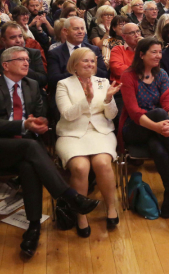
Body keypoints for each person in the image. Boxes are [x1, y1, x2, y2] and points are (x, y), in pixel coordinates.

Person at [0, 46, 99, 256]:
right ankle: (69, 196)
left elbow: (41, 112)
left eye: (27, 59)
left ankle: (33, 228)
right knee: (31, 146)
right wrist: (25, 125)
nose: (27, 63)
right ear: (5, 65)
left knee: (29, 166)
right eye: (21, 59)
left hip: (26, 148)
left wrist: (40, 122)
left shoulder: (32, 84)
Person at [119, 38, 169, 218]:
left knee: (158, 147)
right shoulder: (128, 75)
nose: (158, 56)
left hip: (159, 129)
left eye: (159, 52)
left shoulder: (161, 74)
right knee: (157, 113)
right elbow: (134, 112)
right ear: (141, 54)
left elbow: (168, 103)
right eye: (153, 52)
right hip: (135, 128)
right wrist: (159, 126)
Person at [55, 48, 121, 234]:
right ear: (74, 65)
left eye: (93, 61)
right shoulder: (64, 84)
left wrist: (108, 99)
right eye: (85, 61)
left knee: (102, 163)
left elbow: (111, 115)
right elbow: (67, 115)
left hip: (100, 131)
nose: (90, 65)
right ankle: (81, 214)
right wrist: (87, 99)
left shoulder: (103, 82)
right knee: (80, 167)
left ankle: (111, 208)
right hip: (72, 133)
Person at [47, 17, 107, 94]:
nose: (80, 32)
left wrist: (92, 67)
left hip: (93, 92)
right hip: (67, 93)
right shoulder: (55, 53)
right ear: (66, 31)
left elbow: (104, 75)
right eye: (76, 29)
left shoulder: (94, 50)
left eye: (82, 28)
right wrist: (78, 71)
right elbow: (53, 80)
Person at [0, 22, 48, 88]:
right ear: (4, 40)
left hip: (31, 93)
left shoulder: (34, 53)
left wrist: (22, 67)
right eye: (13, 37)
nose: (18, 40)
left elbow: (43, 80)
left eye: (20, 36)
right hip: (5, 94)